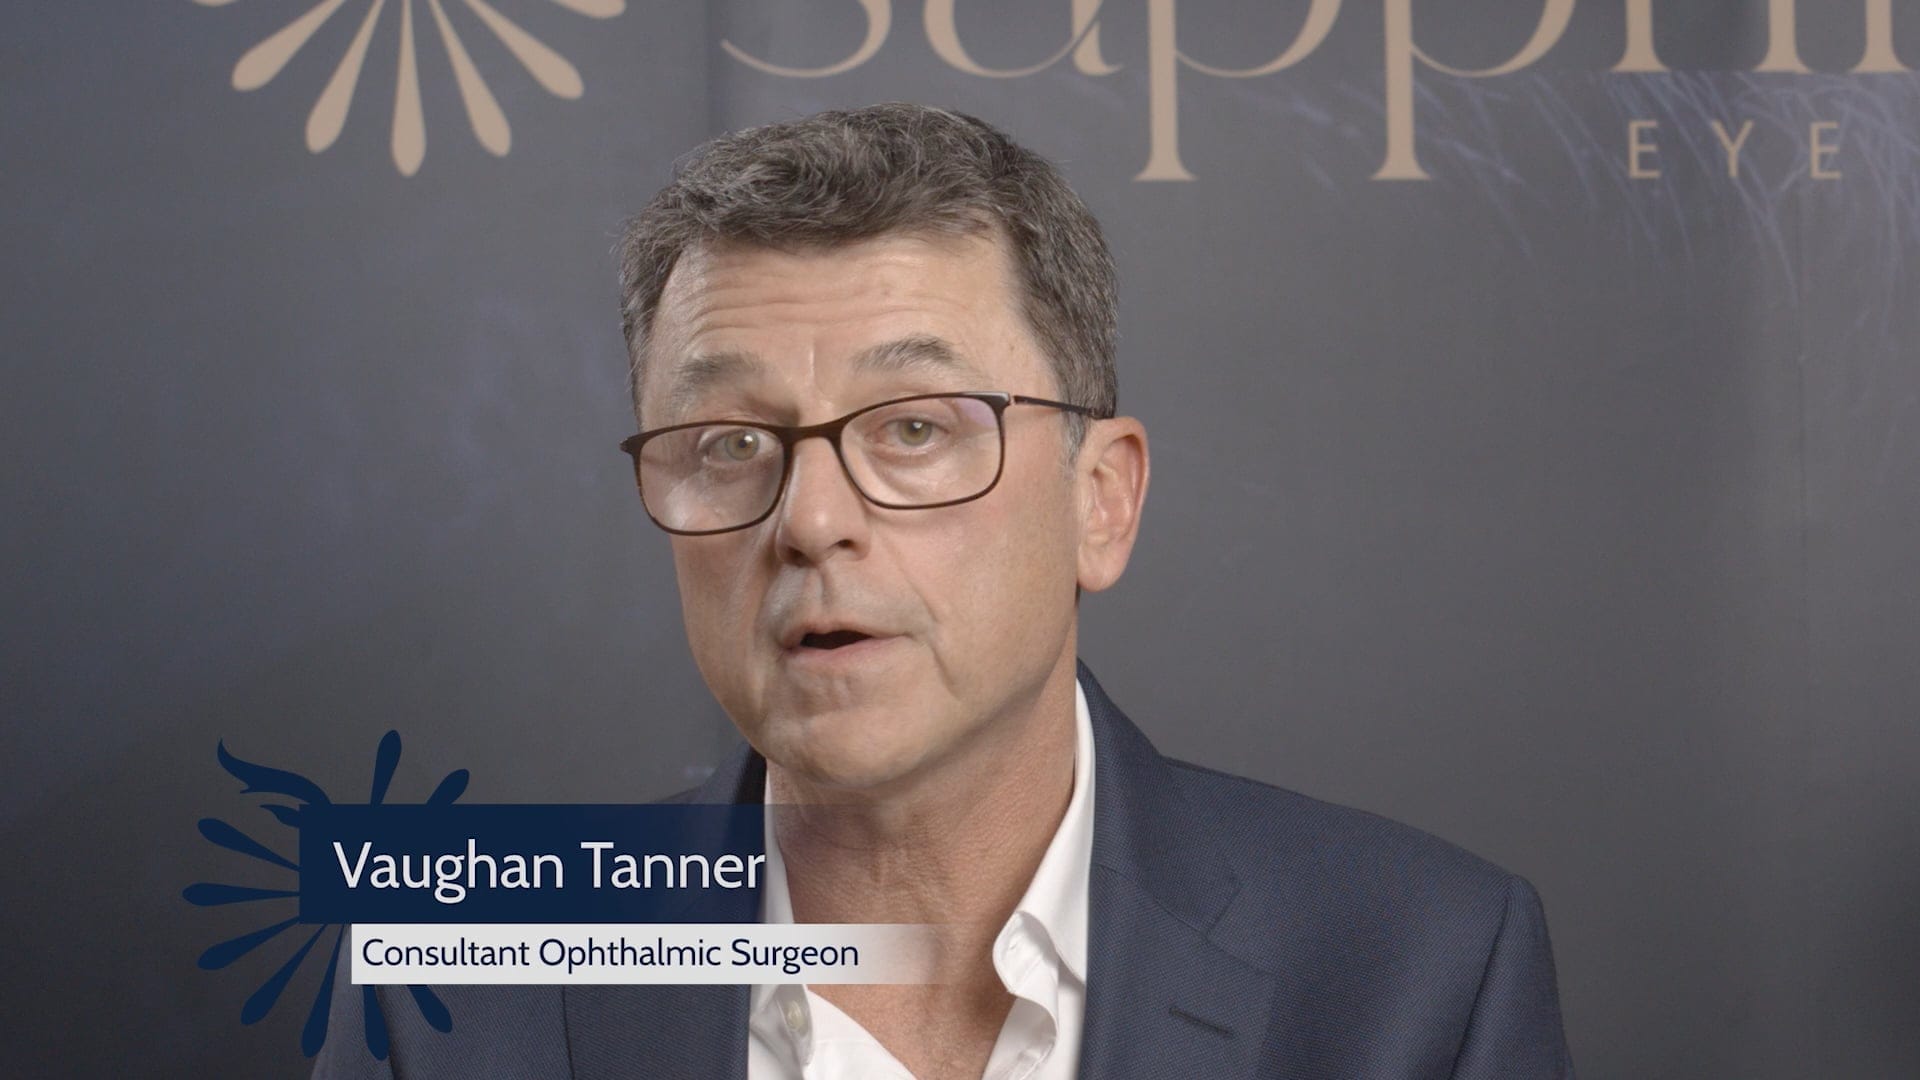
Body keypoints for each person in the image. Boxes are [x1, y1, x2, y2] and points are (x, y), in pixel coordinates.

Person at [316, 102, 1574, 1079]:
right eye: (730, 442)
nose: (811, 521)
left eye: (914, 428)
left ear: (1102, 500)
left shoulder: (1420, 970)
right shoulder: (450, 982)